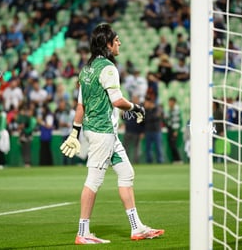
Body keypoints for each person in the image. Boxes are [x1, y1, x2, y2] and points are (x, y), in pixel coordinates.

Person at [60, 24, 164, 244]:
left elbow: (81, 105)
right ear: (107, 44)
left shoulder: (86, 69)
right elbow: (117, 101)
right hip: (102, 133)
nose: (119, 43)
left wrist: (74, 132)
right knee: (94, 180)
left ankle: (137, 228)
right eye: (116, 40)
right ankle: (83, 232)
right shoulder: (108, 68)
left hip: (101, 132)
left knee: (126, 173)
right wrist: (136, 108)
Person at [165, 97, 182, 164]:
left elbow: (178, 121)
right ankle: (175, 160)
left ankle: (178, 159)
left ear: (174, 102)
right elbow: (167, 120)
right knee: (171, 145)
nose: (170, 103)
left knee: (173, 145)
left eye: (171, 102)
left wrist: (176, 131)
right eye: (169, 102)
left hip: (174, 129)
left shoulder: (177, 110)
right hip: (170, 129)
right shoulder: (169, 110)